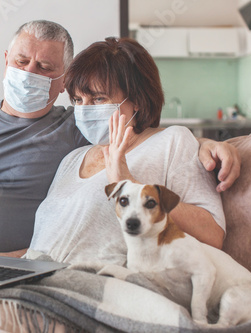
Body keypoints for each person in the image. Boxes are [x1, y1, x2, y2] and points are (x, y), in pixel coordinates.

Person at [0, 20, 240, 254]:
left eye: (44, 67)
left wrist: (211, 143)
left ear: (61, 82)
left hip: (31, 275)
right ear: (5, 61)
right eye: (21, 61)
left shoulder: (74, 129)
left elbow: (148, 135)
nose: (29, 73)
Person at [26, 37, 225, 267]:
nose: (84, 110)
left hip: (98, 286)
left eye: (99, 98)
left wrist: (130, 184)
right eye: (78, 100)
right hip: (36, 277)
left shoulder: (172, 141)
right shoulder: (72, 159)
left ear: (137, 100)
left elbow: (213, 235)